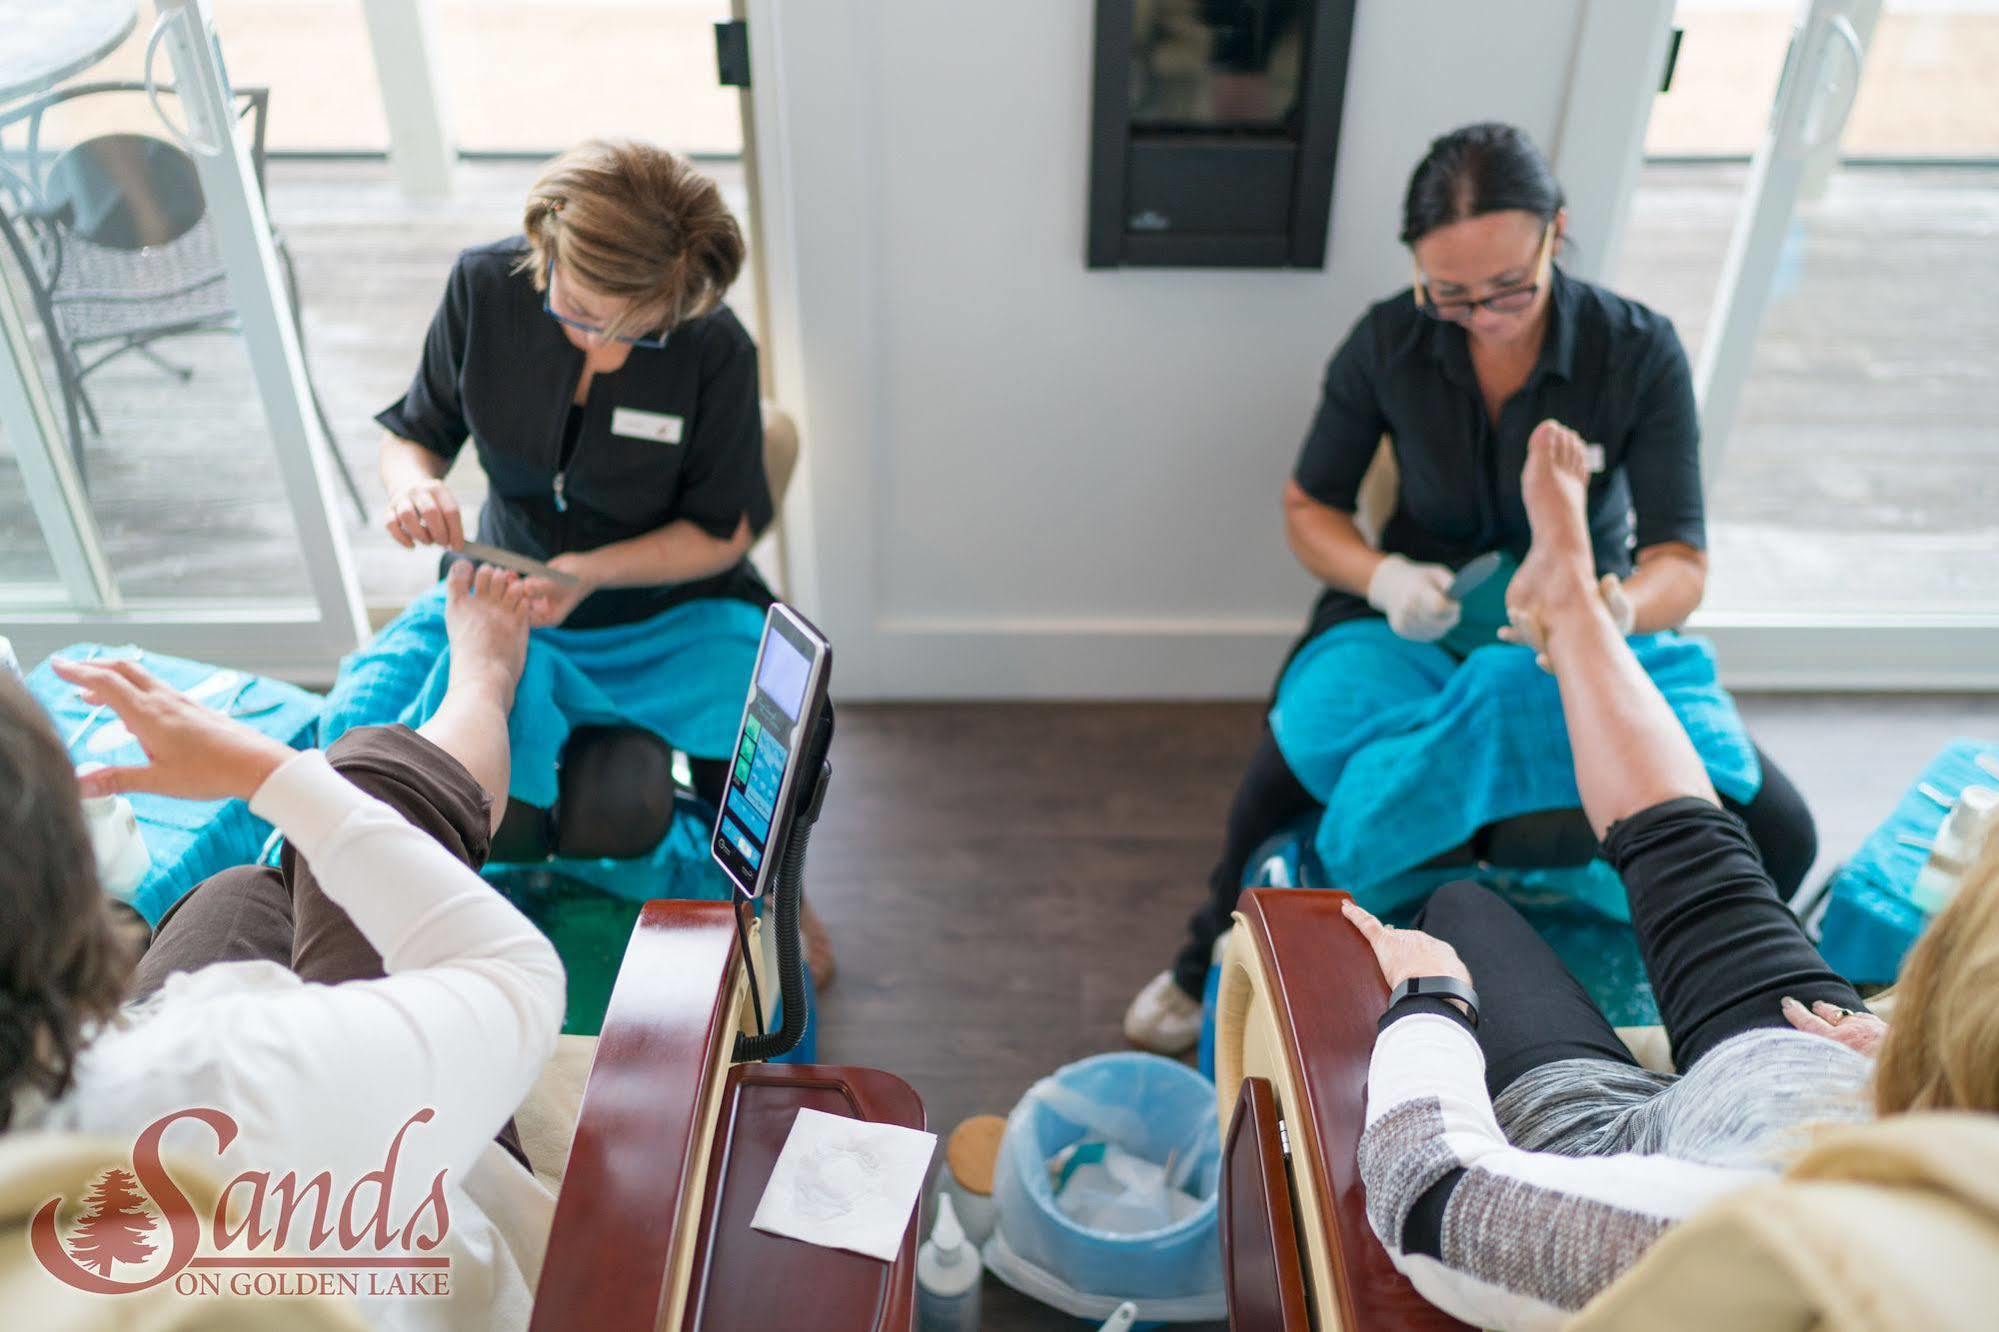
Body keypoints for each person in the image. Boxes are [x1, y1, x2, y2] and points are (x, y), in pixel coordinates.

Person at [1125, 122, 1811, 1051]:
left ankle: (1710, 995)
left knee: (1779, 827)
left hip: (1587, 618)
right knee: (1271, 783)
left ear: (1555, 234)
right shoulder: (1388, 343)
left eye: (1508, 291)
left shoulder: (1636, 350)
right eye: (1449, 294)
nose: (1483, 316)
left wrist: (1610, 612)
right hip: (1416, 620)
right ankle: (1196, 956)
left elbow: (1679, 561)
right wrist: (1383, 576)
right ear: (1416, 268)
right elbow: (1308, 506)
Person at [1339, 426, 1999, 1330]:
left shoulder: (1771, 1240)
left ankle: (1568, 599)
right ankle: (1570, 598)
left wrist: (1428, 997)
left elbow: (1430, 1196)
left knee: (1461, 912)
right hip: (1826, 1079)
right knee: (1700, 852)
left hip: (1631, 1147)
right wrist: (1905, 1068)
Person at [7, 564, 564, 1330]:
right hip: (438, 1272)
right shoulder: (227, 1068)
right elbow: (518, 978)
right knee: (368, 782)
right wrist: (261, 769)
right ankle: (484, 676)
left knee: (238, 894)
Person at [340, 137, 833, 978]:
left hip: (667, 605)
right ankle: (452, 904)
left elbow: (722, 531)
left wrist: (593, 573)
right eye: (579, 313)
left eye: (634, 332)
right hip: (506, 583)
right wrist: (413, 488)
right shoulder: (483, 289)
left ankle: (771, 897)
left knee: (770, 716)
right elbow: (414, 437)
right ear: (545, 245)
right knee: (376, 719)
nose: (602, 346)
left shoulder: (712, 346)